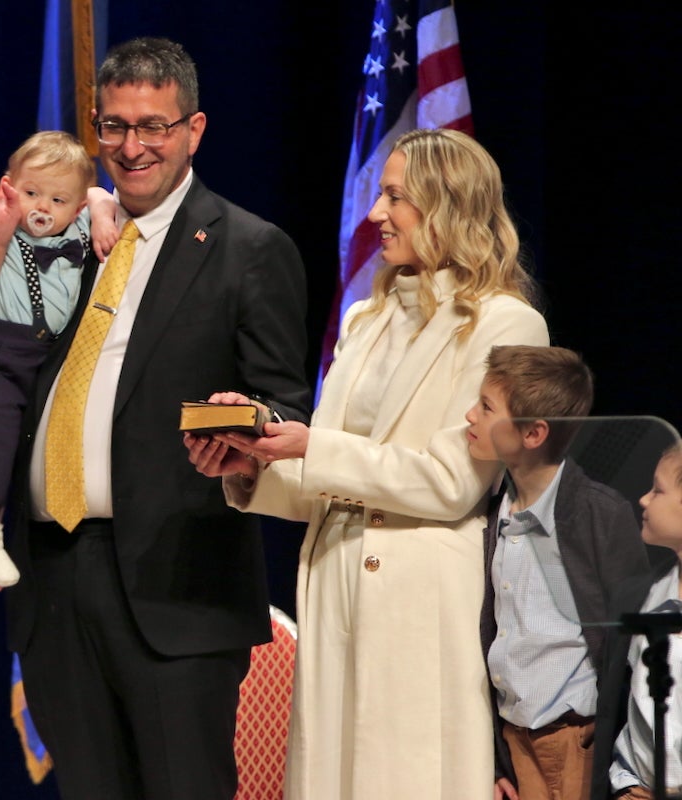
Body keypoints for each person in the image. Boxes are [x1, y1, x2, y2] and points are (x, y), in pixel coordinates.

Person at [0, 37, 310, 799]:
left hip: (177, 588)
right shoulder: (56, 237)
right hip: (53, 582)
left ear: (193, 130)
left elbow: (283, 406)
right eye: (114, 126)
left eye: (153, 127)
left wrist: (246, 428)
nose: (131, 147)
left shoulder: (248, 249)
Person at [186, 128, 550, 799]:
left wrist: (310, 447)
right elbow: (324, 483)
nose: (376, 213)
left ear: (446, 206)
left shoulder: (508, 325)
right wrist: (248, 463)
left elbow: (450, 483)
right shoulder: (366, 319)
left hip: (420, 600)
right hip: (335, 587)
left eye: (395, 197)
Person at [0, 130, 117, 588]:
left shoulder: (79, 229)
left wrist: (99, 210)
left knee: (43, 447)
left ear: (76, 207)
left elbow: (98, 195)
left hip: (50, 359)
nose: (41, 207)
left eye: (57, 199)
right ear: (9, 187)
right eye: (31, 193)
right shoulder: (0, 228)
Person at [466, 345, 648, 800]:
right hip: (515, 740)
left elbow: (631, 640)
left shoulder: (598, 514)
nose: (470, 415)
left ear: (533, 433)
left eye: (486, 407)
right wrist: (497, 757)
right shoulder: (495, 510)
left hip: (573, 739)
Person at [591, 441, 682, 800]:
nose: (643, 499)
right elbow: (622, 701)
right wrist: (624, 783)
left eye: (658, 490)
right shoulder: (642, 595)